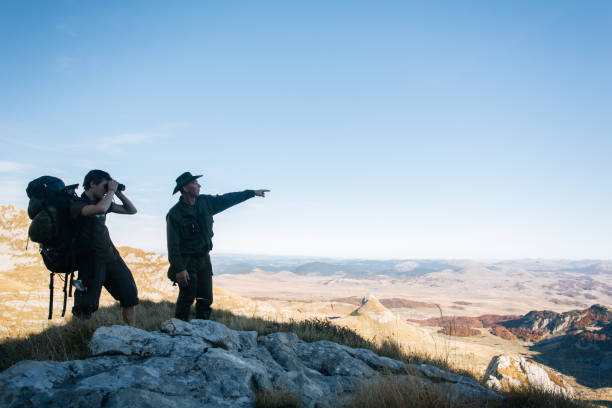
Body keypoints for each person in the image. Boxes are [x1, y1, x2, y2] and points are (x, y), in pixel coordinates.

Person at [166, 171, 269, 321]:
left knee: (205, 298)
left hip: (204, 259)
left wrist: (252, 193)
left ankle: (202, 331)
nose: (199, 185)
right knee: (187, 298)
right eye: (194, 183)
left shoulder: (206, 202)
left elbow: (228, 199)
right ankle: (178, 331)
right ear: (185, 188)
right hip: (187, 261)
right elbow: (172, 245)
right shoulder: (175, 214)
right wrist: (179, 269)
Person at [70, 169, 139, 325]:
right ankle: (71, 338)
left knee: (129, 296)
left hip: (111, 256)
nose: (106, 190)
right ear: (92, 184)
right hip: (90, 261)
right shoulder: (77, 205)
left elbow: (131, 210)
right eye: (104, 186)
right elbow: (99, 209)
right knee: (85, 305)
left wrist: (118, 192)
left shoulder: (104, 202)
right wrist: (112, 190)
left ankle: (132, 335)